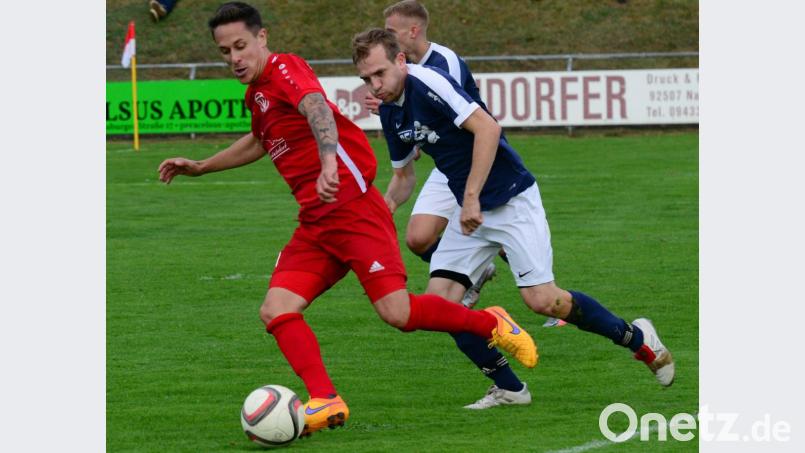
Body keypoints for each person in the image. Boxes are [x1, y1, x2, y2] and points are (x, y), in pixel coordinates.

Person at [157, 2, 537, 439]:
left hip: (354, 209)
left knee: (397, 312)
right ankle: (326, 398)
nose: (234, 58)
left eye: (241, 46)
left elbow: (316, 106)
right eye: (225, 52)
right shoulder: (257, 94)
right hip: (316, 224)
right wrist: (202, 166)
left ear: (262, 38)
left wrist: (327, 161)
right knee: (276, 309)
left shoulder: (284, 68)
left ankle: (491, 323)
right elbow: (260, 141)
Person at [351, 29, 675, 394]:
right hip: (469, 211)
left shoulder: (429, 83)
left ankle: (637, 338)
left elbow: (488, 128)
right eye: (366, 79)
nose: (374, 85)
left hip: (510, 200)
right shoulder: (390, 112)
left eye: (379, 74)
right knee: (441, 308)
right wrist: (382, 210)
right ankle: (509, 389)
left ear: (400, 61)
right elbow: (403, 176)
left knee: (544, 301)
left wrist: (471, 197)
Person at [364, 0, 531, 410]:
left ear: (411, 34)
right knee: (418, 239)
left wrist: (409, 127)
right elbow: (411, 144)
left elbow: (469, 123)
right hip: (444, 162)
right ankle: (475, 275)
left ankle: (515, 287)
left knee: (504, 250)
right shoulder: (394, 83)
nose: (386, 34)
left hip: (472, 159)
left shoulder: (444, 65)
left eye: (392, 29)